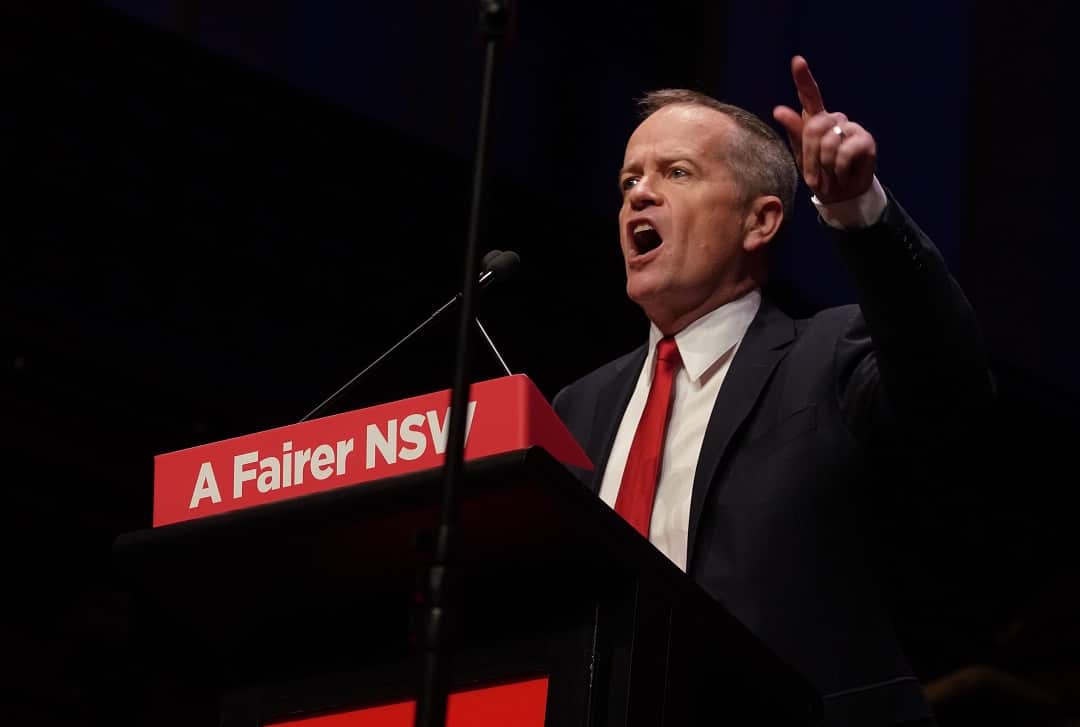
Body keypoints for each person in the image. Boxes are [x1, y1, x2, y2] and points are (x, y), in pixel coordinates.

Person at [551, 56, 994, 726]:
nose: (639, 195)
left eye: (676, 172)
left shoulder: (829, 357)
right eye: (628, 181)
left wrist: (858, 209)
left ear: (760, 221)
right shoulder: (577, 409)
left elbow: (949, 384)